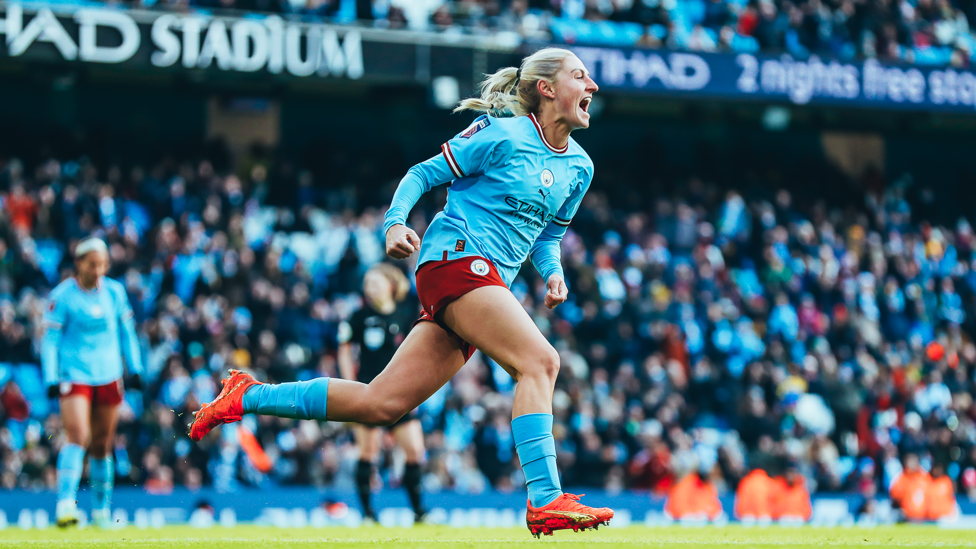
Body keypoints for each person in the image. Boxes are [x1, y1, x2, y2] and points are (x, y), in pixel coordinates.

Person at [190, 47, 613, 537]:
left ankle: (247, 396)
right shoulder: (503, 134)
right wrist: (394, 223)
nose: (592, 87)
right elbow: (423, 174)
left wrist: (554, 272)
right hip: (455, 258)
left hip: (486, 282)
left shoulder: (579, 168)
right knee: (541, 361)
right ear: (546, 88)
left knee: (380, 404)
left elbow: (547, 236)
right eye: (580, 76)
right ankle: (545, 499)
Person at [41, 238, 144, 528]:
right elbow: (50, 340)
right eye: (92, 264)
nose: (97, 269)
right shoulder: (62, 296)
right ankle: (65, 506)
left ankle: (101, 513)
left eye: (102, 264)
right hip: (74, 374)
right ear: (79, 263)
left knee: (102, 444)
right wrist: (50, 376)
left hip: (109, 374)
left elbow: (127, 332)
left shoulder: (114, 292)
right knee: (77, 436)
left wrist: (135, 368)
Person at [337, 264, 426, 523]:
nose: (369, 288)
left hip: (401, 392)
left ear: (391, 285)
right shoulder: (358, 316)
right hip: (368, 391)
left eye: (375, 283)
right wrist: (349, 385)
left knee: (414, 450)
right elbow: (344, 350)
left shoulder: (407, 313)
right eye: (367, 283)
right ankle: (367, 514)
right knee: (368, 452)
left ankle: (419, 512)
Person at [889, 453, 931, 522]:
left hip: (925, 517)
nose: (911, 464)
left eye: (914, 461)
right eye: (910, 461)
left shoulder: (924, 477)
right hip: (907, 517)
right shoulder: (902, 477)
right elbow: (894, 494)